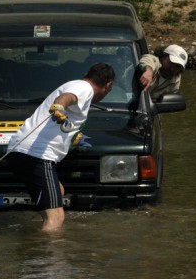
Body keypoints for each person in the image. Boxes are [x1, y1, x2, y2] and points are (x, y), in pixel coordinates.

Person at [6, 63, 115, 232]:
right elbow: (67, 98)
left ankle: (35, 239)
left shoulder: (76, 84)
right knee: (56, 217)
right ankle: (47, 256)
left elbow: (68, 111)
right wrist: (59, 107)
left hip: (19, 151)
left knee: (59, 190)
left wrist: (73, 136)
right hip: (37, 155)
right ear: (108, 85)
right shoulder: (84, 88)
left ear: (87, 73)